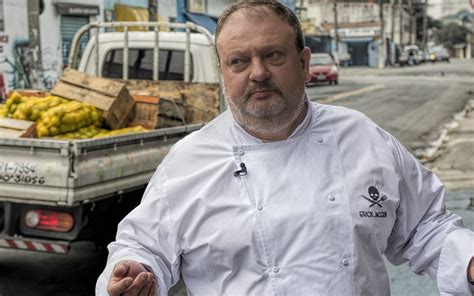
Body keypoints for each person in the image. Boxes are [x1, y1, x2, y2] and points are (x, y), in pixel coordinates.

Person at [96, 1, 474, 295]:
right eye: (239, 61)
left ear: (305, 63)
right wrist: (134, 272)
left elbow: (427, 227)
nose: (257, 73)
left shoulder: (362, 138)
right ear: (223, 73)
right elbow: (145, 248)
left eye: (273, 55)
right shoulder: (189, 160)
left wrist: (470, 262)